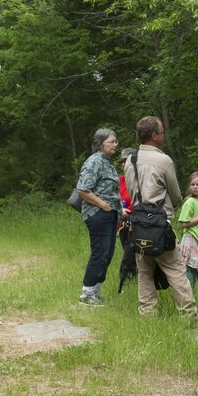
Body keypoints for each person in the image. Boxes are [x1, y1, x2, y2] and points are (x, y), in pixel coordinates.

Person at [124, 116, 198, 319]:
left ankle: (147, 315)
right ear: (155, 136)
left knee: (144, 272)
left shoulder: (130, 161)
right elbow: (175, 196)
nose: (164, 134)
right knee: (176, 270)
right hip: (159, 226)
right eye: (163, 131)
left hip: (137, 225)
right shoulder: (163, 160)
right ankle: (189, 316)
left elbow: (131, 193)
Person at [75, 128, 125, 305]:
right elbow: (82, 189)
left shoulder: (107, 162)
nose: (115, 145)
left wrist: (118, 210)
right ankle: (87, 294)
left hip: (109, 215)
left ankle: (94, 293)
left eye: (116, 141)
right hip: (98, 214)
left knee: (107, 253)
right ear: (100, 143)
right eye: (112, 141)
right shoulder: (95, 161)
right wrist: (103, 205)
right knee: (100, 253)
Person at [116, 148, 137, 291]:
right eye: (122, 161)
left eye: (127, 161)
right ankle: (129, 285)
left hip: (139, 223)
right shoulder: (119, 181)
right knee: (129, 255)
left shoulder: (140, 180)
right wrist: (120, 211)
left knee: (132, 257)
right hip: (123, 225)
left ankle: (126, 285)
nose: (124, 164)